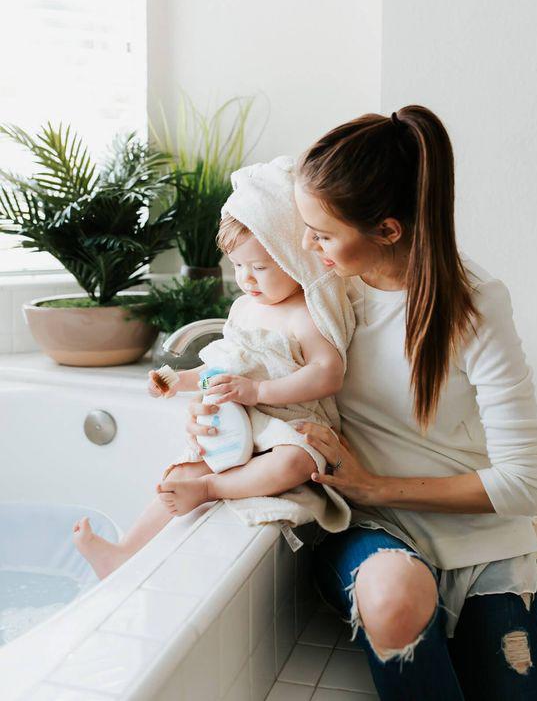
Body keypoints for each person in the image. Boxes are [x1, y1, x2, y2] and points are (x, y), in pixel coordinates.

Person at [185, 106, 537, 700]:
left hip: (474, 532)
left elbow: (522, 483)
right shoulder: (320, 291)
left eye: (322, 233)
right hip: (368, 527)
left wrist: (375, 483)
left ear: (387, 230)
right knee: (393, 597)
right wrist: (213, 410)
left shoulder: (476, 304)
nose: (303, 247)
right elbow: (253, 369)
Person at [73, 157, 353, 580]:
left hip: (288, 421)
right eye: (238, 266)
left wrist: (258, 394)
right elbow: (220, 368)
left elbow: (328, 373)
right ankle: (125, 551)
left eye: (260, 267)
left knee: (295, 462)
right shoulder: (244, 308)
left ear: (295, 259)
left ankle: (211, 488)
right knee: (181, 469)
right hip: (239, 420)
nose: (247, 278)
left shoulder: (303, 315)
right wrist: (176, 382)